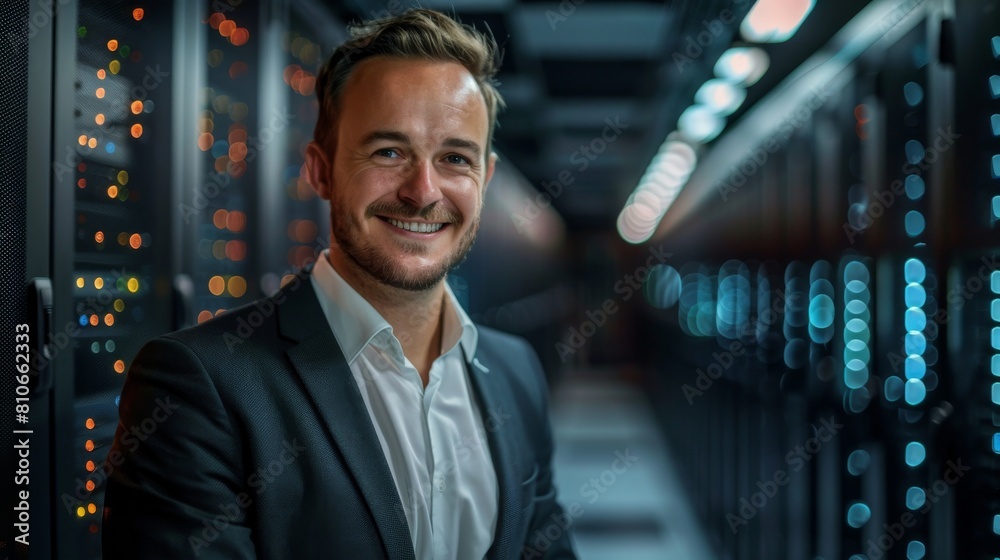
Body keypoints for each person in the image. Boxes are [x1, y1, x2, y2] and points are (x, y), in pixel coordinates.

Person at [102, 8, 576, 560]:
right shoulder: (197, 386)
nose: (423, 192)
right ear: (321, 170)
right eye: (389, 152)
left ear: (484, 180)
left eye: (454, 158)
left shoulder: (516, 372)